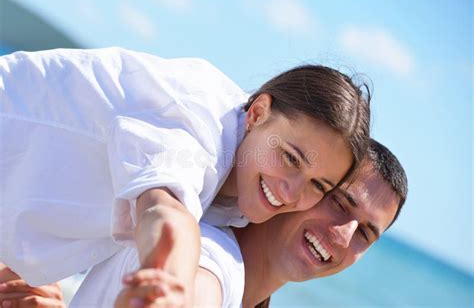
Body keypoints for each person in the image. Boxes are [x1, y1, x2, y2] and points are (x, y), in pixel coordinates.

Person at [0, 48, 370, 303]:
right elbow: (162, 210)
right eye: (291, 158)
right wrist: (172, 283)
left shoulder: (241, 185)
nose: (291, 192)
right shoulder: (198, 126)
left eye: (318, 185)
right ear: (258, 112)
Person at [19, 139, 404, 308]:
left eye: (367, 232)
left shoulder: (244, 287)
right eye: (339, 202)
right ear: (305, 189)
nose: (344, 234)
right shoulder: (211, 257)